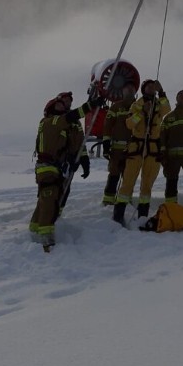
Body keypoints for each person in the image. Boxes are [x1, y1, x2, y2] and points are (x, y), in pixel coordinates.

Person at [29, 90, 103, 252]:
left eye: (68, 102)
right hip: (48, 166)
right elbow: (72, 116)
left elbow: (78, 142)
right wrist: (91, 105)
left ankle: (35, 230)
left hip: (61, 167)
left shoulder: (69, 124)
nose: (65, 105)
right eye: (61, 103)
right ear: (50, 108)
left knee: (52, 197)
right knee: (49, 198)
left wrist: (83, 160)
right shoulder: (51, 121)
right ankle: (46, 241)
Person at [113, 78, 171, 226]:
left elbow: (167, 110)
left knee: (147, 183)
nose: (151, 88)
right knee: (128, 181)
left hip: (152, 149)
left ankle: (142, 216)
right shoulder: (136, 105)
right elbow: (129, 123)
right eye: (149, 86)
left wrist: (162, 91)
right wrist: (142, 112)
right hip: (137, 148)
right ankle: (118, 215)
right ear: (144, 89)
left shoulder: (159, 103)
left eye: (153, 86)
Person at [101, 78, 138, 206]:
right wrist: (106, 145)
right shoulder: (115, 107)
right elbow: (107, 126)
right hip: (116, 149)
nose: (129, 90)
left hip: (133, 149)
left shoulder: (139, 106)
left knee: (129, 177)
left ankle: (126, 201)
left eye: (132, 88)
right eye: (127, 88)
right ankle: (108, 201)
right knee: (114, 175)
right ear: (122, 91)